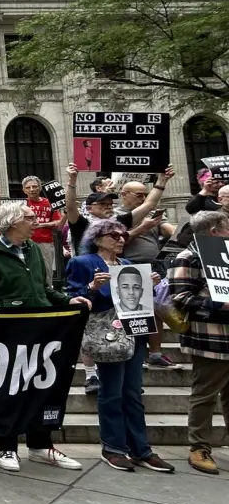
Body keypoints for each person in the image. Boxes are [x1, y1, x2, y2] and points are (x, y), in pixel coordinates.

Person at [0, 202, 89, 473]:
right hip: (7, 330)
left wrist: (68, 299)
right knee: (6, 390)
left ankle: (40, 445)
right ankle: (7, 447)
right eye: (29, 217)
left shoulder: (34, 249)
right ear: (13, 223)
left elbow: (44, 289)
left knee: (40, 388)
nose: (36, 219)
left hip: (41, 329)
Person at [65, 218, 173, 473]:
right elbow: (72, 296)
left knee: (133, 393)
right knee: (112, 392)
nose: (121, 239)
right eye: (114, 235)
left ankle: (141, 449)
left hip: (134, 331)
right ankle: (113, 447)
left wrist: (151, 286)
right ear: (97, 238)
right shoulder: (82, 263)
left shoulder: (128, 264)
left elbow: (136, 300)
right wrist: (92, 287)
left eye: (123, 235)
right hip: (107, 333)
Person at [64, 162, 175, 391]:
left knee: (123, 324)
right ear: (90, 207)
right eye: (102, 203)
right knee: (91, 326)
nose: (108, 206)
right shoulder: (81, 224)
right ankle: (91, 375)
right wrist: (72, 181)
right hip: (89, 275)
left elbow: (147, 206)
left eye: (110, 203)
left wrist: (162, 182)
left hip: (118, 277)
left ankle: (130, 376)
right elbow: (70, 207)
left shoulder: (118, 222)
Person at [167, 210, 229, 475]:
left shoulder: (224, 253)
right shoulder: (188, 256)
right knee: (205, 394)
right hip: (209, 337)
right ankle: (199, 447)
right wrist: (219, 304)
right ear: (214, 230)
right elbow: (180, 297)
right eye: (227, 225)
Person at [21, 175, 63, 276]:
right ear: (24, 190)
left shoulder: (49, 203)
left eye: (34, 186)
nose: (31, 190)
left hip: (45, 243)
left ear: (40, 188)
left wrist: (41, 225)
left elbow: (58, 222)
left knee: (46, 272)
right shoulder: (21, 204)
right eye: (28, 187)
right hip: (24, 242)